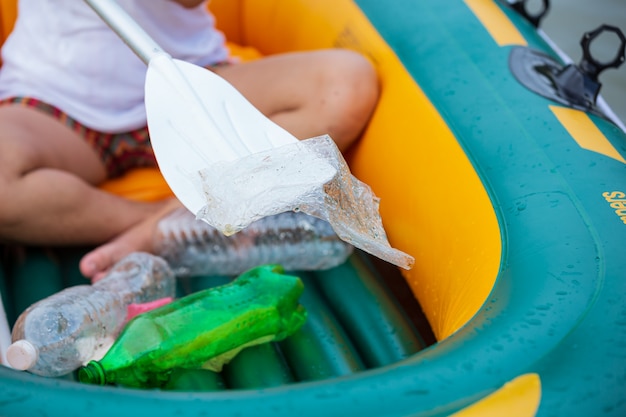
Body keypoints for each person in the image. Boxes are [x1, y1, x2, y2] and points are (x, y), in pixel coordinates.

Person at [0, 0, 379, 282]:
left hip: (187, 81)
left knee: (347, 82)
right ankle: (163, 224)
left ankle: (175, 221)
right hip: (55, 102)